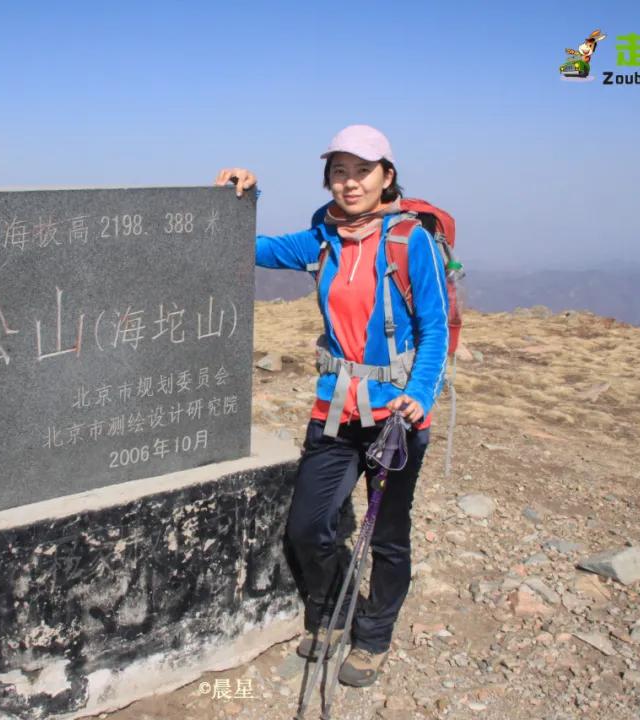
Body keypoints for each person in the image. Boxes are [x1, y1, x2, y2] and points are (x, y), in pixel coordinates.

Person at [215, 125, 449, 687]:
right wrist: (243, 198)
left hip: (395, 414)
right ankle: (334, 604)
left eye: (362, 171)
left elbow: (435, 327)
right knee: (308, 525)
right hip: (336, 407)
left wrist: (418, 395)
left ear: (387, 176)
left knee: (390, 534)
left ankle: (373, 636)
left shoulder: (409, 240)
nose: (349, 183)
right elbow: (253, 249)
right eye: (339, 171)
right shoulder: (323, 236)